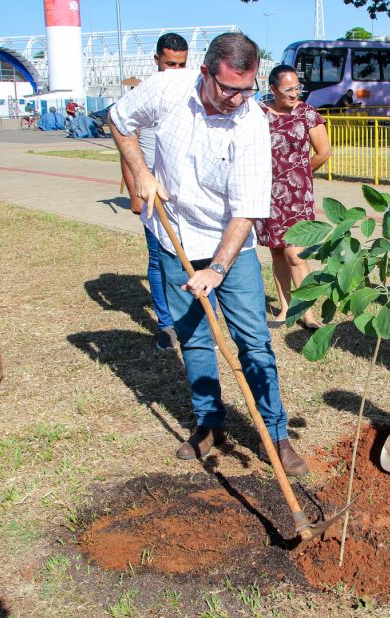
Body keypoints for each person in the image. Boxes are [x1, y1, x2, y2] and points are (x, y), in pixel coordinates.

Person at [108, 32, 309, 475]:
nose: (238, 99)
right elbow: (119, 119)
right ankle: (209, 423)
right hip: (172, 236)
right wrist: (140, 173)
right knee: (195, 337)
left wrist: (217, 269)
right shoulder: (167, 88)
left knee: (253, 342)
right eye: (228, 88)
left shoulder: (253, 123)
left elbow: (248, 211)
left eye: (247, 89)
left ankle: (275, 433)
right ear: (204, 72)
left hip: (229, 246)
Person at [118, 32, 189, 350]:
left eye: (182, 64)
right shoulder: (142, 94)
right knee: (160, 259)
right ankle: (166, 325)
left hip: (186, 193)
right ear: (157, 59)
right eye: (170, 63)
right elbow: (123, 142)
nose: (176, 69)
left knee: (194, 258)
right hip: (152, 194)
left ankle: (194, 321)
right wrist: (135, 191)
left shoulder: (190, 91)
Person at [255, 64, 332, 330]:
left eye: (297, 88)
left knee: (296, 254)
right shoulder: (259, 113)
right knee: (277, 253)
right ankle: (286, 309)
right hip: (267, 195)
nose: (294, 94)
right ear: (273, 88)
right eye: (288, 89)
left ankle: (307, 313)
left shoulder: (308, 114)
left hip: (297, 195)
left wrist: (298, 173)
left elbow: (323, 152)